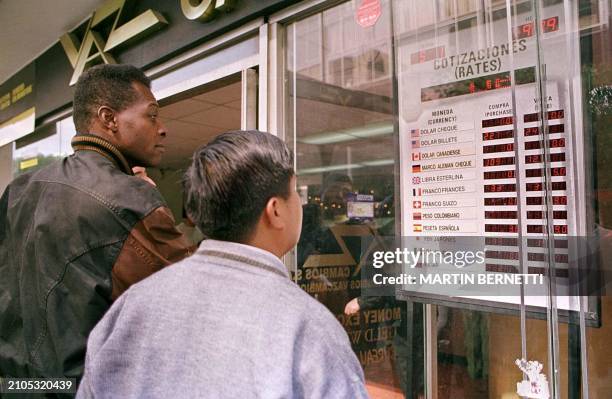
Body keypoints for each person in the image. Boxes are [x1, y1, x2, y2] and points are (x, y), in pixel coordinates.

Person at [76, 130, 369, 398]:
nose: (302, 205)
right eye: (294, 192)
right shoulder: (309, 329)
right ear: (275, 211)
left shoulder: (131, 306)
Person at [0, 64, 194, 382]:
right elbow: (190, 303)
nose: (163, 128)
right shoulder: (131, 201)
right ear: (108, 119)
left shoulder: (19, 189)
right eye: (152, 115)